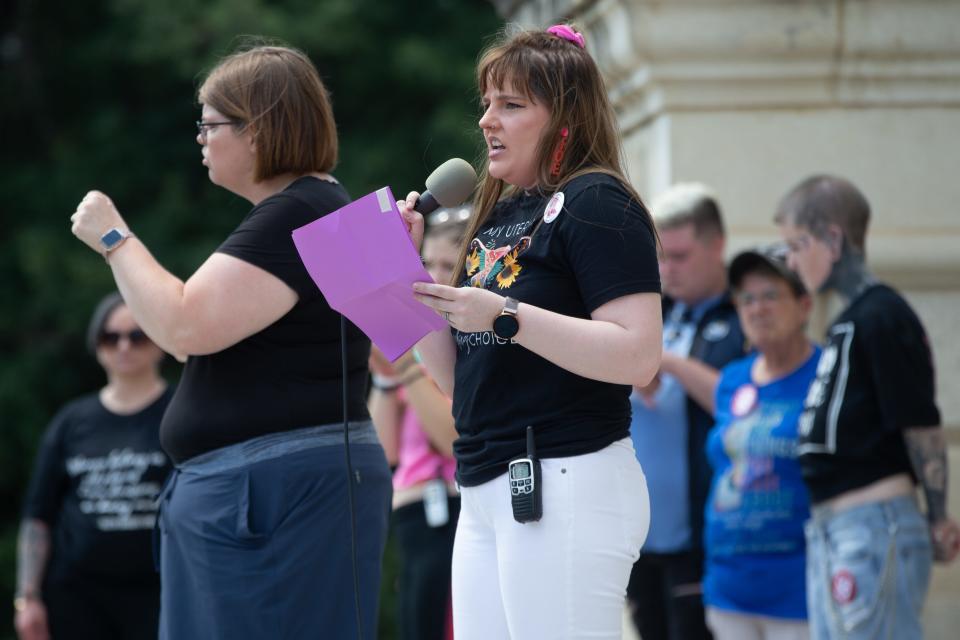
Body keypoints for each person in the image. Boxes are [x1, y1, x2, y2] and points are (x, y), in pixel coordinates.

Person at [69, 44, 392, 639]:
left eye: (209, 123)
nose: (200, 138)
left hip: (269, 496)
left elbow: (183, 328)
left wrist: (115, 237)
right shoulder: (331, 207)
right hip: (287, 489)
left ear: (259, 129)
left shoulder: (296, 213)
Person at [400, 24, 662, 640]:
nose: (488, 121)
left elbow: (639, 354)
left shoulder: (597, 202)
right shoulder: (494, 217)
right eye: (487, 103)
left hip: (567, 474)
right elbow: (459, 381)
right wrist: (397, 276)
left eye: (512, 105)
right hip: (488, 483)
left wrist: (505, 316)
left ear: (564, 119)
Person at [775, 175, 960, 639]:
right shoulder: (849, 322)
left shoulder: (882, 317)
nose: (791, 261)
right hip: (836, 530)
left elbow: (920, 424)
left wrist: (938, 515)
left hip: (873, 528)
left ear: (833, 239)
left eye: (798, 245)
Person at [14, 293, 173, 640]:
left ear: (160, 342)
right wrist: (27, 598)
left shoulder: (181, 415)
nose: (124, 347)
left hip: (161, 591)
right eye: (110, 336)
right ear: (96, 344)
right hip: (76, 595)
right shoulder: (71, 421)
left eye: (137, 335)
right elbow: (39, 515)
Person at [626, 183, 747, 640]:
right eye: (660, 257)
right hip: (642, 537)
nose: (666, 270)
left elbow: (744, 405)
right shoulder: (656, 310)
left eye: (679, 256)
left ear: (717, 246)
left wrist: (667, 361)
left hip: (705, 537)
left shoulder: (745, 315)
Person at [703, 246, 819, 640]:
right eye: (747, 299)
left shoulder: (825, 374)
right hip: (728, 588)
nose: (757, 309)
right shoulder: (732, 380)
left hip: (799, 589)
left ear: (804, 305)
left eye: (771, 295)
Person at [369, 209, 469, 640]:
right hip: (412, 512)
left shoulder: (468, 339)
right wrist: (384, 376)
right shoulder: (413, 337)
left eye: (450, 266)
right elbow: (382, 450)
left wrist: (408, 368)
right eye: (427, 264)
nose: (435, 277)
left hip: (455, 505)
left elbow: (453, 438)